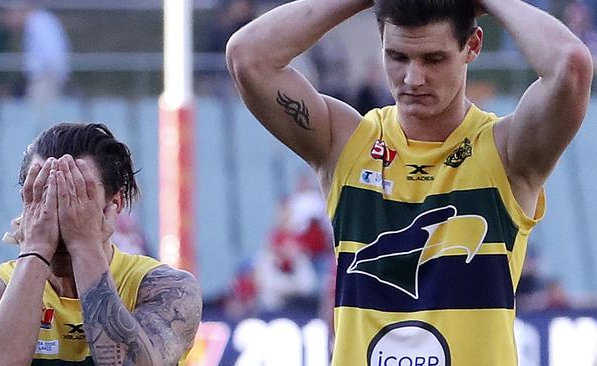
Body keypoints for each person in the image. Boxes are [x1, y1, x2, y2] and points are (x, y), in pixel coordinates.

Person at [226, 0, 593, 364]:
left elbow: (571, 65)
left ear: (473, 46)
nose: (413, 78)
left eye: (433, 59)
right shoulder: (346, 144)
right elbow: (247, 56)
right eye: (398, 57)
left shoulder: (506, 154)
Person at [0, 123, 202, 365]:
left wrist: (84, 245)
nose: (59, 214)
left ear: (113, 205)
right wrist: (35, 250)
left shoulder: (168, 289)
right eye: (44, 196)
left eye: (79, 195)